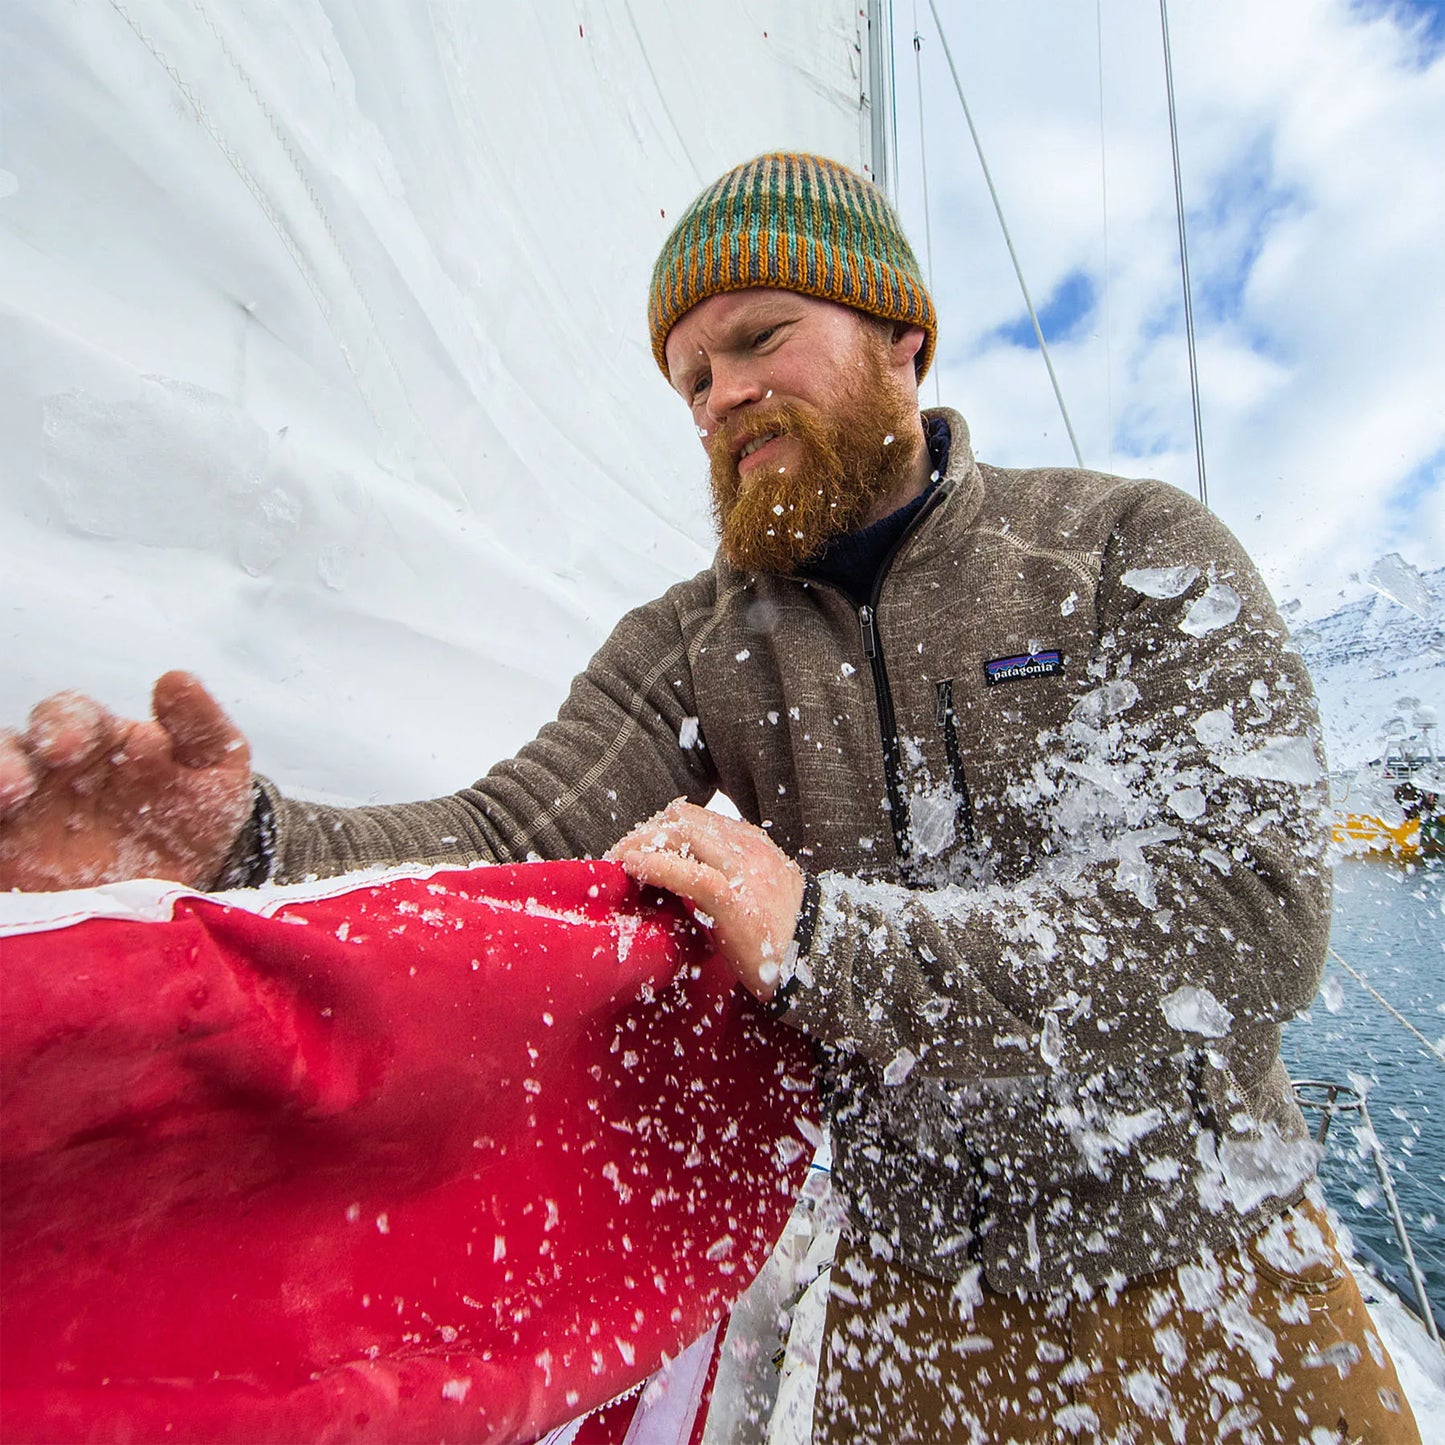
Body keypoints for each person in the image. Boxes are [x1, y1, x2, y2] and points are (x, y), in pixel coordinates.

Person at [0, 153, 1421, 1442]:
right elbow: (501, 835)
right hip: (911, 1301)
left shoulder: (1121, 548)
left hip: (1220, 1260)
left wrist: (828, 939)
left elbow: (1252, 912)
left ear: (901, 337)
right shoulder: (698, 640)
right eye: (689, 379)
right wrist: (240, 842)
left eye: (759, 338)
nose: (720, 395)